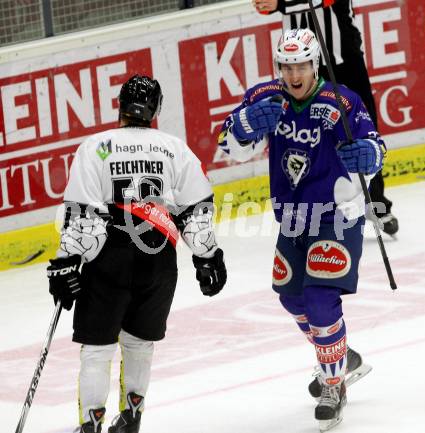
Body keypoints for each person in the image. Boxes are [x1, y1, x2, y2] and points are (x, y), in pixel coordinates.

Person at [218, 28, 382, 430]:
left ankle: (333, 384)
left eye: (301, 66)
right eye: (286, 66)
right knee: (292, 300)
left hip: (336, 213)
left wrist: (368, 156)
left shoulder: (342, 101)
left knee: (320, 298)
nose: (293, 75)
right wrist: (242, 125)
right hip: (292, 217)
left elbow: (375, 145)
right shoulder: (264, 98)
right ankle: (344, 357)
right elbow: (227, 146)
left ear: (315, 65)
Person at [47, 75, 227, 433]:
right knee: (140, 344)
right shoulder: (174, 148)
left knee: (98, 349)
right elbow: (197, 209)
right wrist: (207, 257)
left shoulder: (97, 146)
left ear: (120, 105)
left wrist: (67, 261)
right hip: (158, 258)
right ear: (156, 110)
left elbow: (83, 213)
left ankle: (90, 424)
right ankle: (131, 417)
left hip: (108, 258)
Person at [253, 0, 399, 236]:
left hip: (342, 56)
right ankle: (316, 204)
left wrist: (280, 3)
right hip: (304, 61)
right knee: (309, 133)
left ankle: (375, 202)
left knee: (362, 129)